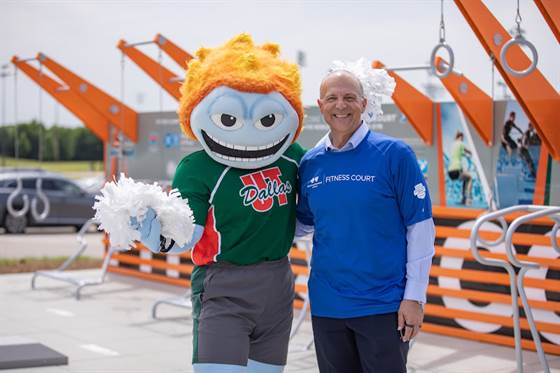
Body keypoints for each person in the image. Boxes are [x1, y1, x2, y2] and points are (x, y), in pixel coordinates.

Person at [131, 34, 306, 373]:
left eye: (267, 119)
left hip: (277, 283)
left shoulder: (292, 157)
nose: (251, 129)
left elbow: (313, 202)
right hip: (224, 284)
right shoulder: (197, 168)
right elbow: (187, 230)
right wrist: (160, 235)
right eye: (230, 118)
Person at [296, 62, 435, 373]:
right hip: (327, 306)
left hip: (383, 305)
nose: (340, 105)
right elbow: (301, 224)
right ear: (320, 106)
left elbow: (421, 229)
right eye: (331, 98)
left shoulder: (394, 154)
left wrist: (414, 298)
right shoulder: (311, 163)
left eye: (349, 97)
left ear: (364, 103)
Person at [447, 131, 473, 205]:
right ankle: (468, 198)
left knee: (466, 179)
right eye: (462, 138)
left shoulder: (452, 145)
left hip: (450, 172)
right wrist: (472, 153)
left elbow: (459, 154)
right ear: (460, 137)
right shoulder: (460, 144)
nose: (463, 139)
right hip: (456, 169)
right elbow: (467, 151)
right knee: (470, 178)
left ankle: (463, 199)